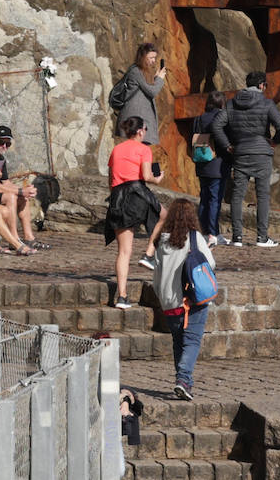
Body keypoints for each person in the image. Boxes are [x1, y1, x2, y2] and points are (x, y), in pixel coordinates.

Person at [210, 71, 280, 248]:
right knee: (262, 195)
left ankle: (237, 237)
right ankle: (262, 237)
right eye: (265, 85)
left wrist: (227, 145)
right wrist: (275, 142)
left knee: (237, 195)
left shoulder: (231, 103)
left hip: (240, 153)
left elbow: (217, 125)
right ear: (261, 85)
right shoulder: (267, 103)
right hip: (262, 153)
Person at [151, 199, 215, 401]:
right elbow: (210, 263)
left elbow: (156, 274)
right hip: (191, 300)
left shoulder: (161, 241)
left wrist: (162, 297)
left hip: (168, 302)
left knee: (178, 342)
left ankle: (183, 381)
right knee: (192, 341)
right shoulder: (195, 238)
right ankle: (183, 379)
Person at [105, 117, 168, 309]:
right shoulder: (144, 149)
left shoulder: (116, 149)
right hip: (136, 193)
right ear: (140, 131)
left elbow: (111, 179)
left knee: (124, 251)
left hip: (118, 197)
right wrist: (158, 179)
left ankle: (122, 296)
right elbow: (147, 176)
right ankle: (148, 254)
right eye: (146, 129)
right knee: (164, 216)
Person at [0, 125, 50, 252]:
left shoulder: (0, 158)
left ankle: (29, 237)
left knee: (22, 197)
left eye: (8, 144)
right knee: (11, 197)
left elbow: (6, 183)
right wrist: (21, 191)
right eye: (1, 142)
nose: (4, 146)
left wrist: (25, 190)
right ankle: (14, 238)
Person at [192, 92, 227, 246]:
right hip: (217, 164)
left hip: (201, 162)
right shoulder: (222, 117)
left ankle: (203, 232)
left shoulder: (199, 118)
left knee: (204, 199)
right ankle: (213, 233)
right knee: (215, 199)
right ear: (222, 103)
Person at [117, 42, 166, 146]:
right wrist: (159, 79)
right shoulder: (135, 71)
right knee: (136, 151)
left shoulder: (141, 71)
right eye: (151, 58)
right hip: (134, 120)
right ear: (143, 57)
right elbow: (152, 91)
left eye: (154, 58)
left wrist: (156, 79)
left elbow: (146, 89)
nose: (153, 61)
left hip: (139, 118)